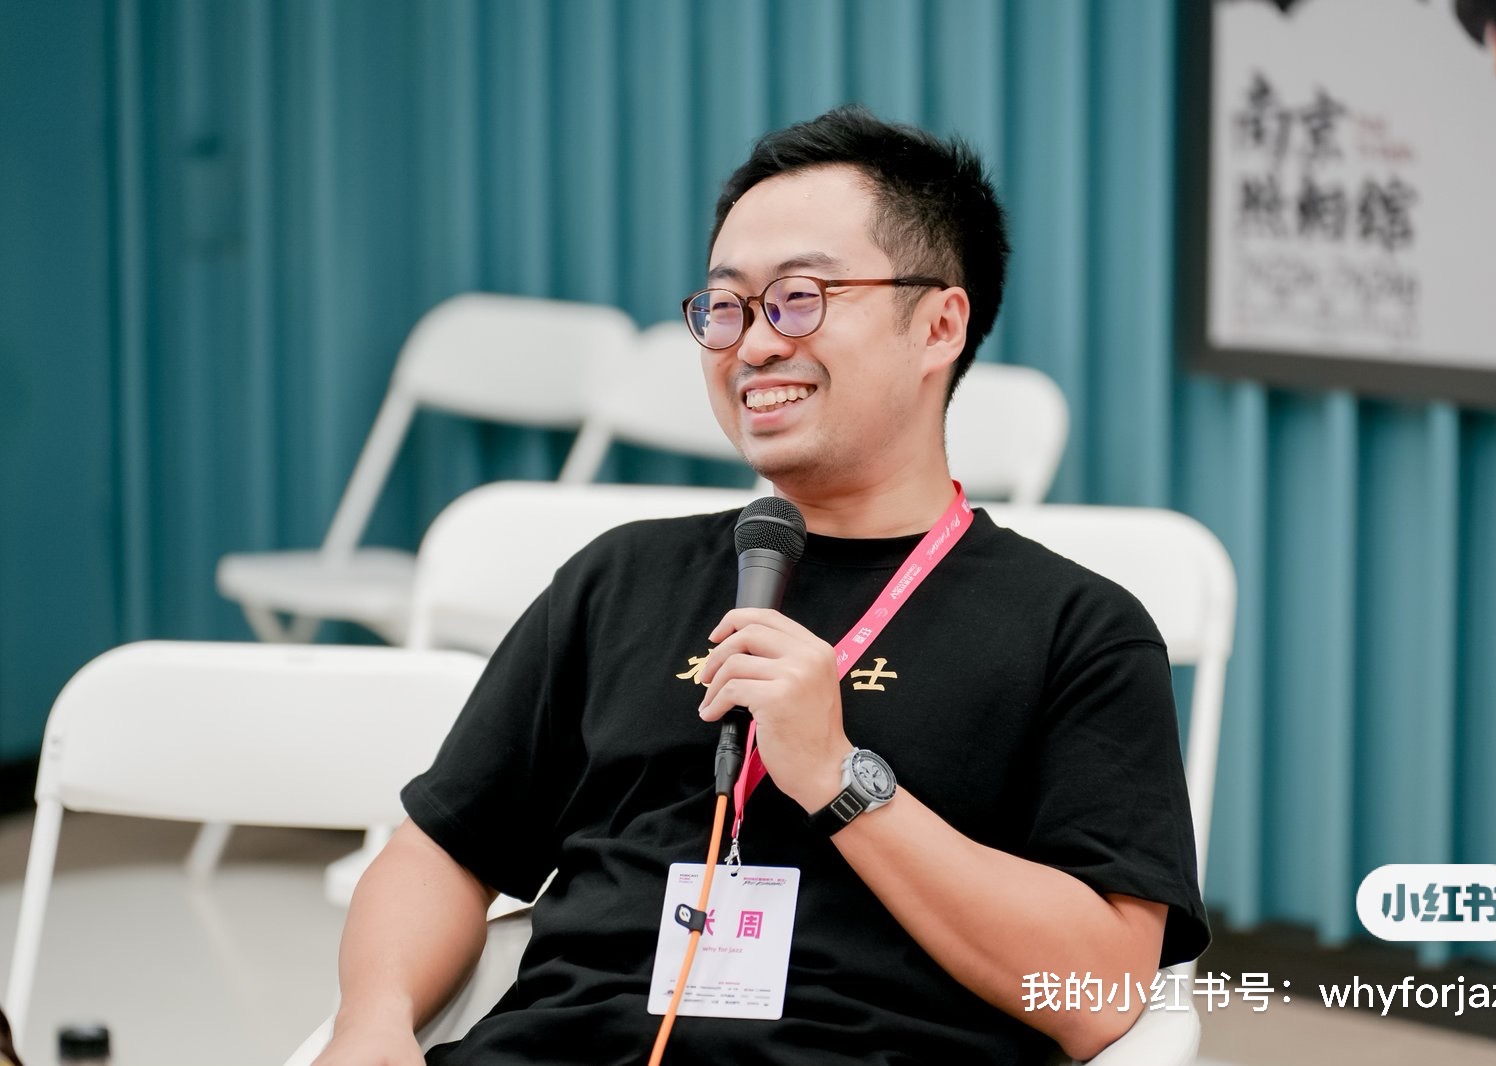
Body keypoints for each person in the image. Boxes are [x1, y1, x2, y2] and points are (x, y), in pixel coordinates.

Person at [314, 105, 1207, 1066]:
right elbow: (441, 852)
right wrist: (372, 1024)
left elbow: (1100, 994)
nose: (751, 345)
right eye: (727, 306)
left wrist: (839, 778)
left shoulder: (1076, 628)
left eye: (799, 298)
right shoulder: (622, 579)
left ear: (938, 325)